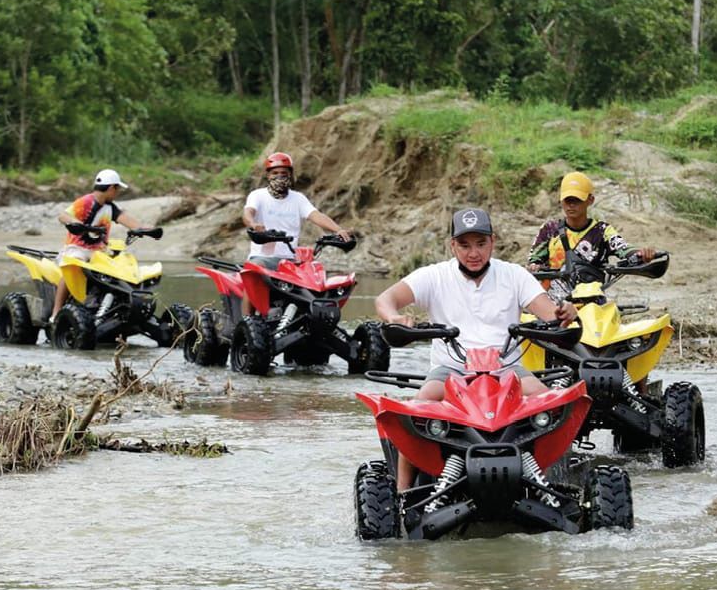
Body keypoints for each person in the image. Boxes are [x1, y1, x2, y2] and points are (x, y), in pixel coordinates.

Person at [374, 207, 576, 492]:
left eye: (481, 244)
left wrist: (566, 312)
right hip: (451, 371)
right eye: (465, 245)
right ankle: (402, 494)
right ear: (452, 245)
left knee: (553, 406)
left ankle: (557, 484)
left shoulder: (514, 275)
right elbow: (385, 298)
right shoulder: (434, 276)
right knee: (416, 410)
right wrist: (394, 317)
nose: (474, 253)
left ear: (493, 241)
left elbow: (551, 315)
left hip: (507, 370)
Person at [239, 151, 352, 316]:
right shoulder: (258, 196)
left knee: (316, 275)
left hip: (290, 261)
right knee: (254, 272)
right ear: (268, 175)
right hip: (263, 258)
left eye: (284, 173)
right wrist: (254, 224)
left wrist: (338, 230)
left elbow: (316, 215)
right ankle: (246, 322)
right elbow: (247, 213)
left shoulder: (298, 199)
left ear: (291, 175)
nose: (279, 177)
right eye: (275, 173)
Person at [527, 171, 656, 301]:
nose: (571, 204)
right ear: (561, 200)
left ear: (590, 200)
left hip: (592, 303)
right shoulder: (549, 229)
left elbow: (623, 249)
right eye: (567, 200)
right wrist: (534, 266)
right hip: (553, 304)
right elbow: (534, 261)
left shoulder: (602, 231)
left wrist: (640, 255)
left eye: (577, 200)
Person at [49, 169, 151, 322]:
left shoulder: (111, 207)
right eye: (117, 189)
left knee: (120, 268)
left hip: (100, 251)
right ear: (111, 188)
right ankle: (56, 313)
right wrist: (75, 223)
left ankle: (111, 305)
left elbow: (129, 221)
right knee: (71, 267)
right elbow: (63, 215)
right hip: (78, 248)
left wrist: (145, 229)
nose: (118, 193)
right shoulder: (86, 202)